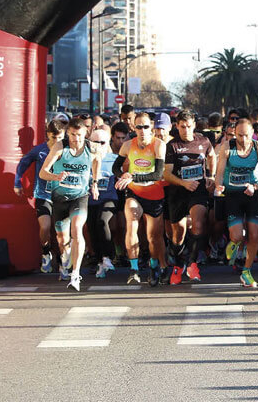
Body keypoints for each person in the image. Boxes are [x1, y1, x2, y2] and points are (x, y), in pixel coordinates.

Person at [39, 118, 101, 291]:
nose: (76, 139)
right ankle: (65, 259)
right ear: (68, 134)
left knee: (77, 228)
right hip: (59, 199)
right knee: (62, 239)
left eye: (80, 135)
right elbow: (43, 173)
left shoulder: (92, 148)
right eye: (73, 135)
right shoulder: (59, 147)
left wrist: (94, 183)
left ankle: (75, 275)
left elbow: (97, 160)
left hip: (80, 197)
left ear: (85, 134)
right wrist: (56, 177)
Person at [212, 118, 258, 288]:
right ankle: (234, 243)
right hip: (232, 195)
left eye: (246, 135)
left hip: (253, 195)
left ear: (253, 134)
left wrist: (255, 186)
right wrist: (218, 185)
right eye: (239, 135)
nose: (243, 139)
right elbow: (220, 172)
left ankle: (247, 270)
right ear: (234, 134)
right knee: (237, 235)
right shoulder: (228, 147)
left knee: (254, 235)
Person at [114, 112, 167, 286]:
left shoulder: (159, 145)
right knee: (132, 222)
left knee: (153, 237)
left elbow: (158, 174)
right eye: (139, 127)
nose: (143, 130)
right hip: (134, 192)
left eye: (145, 126)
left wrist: (133, 177)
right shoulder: (128, 145)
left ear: (151, 126)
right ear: (134, 128)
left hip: (154, 194)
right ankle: (134, 268)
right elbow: (116, 167)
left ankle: (153, 265)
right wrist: (123, 175)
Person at [163, 109, 216, 284]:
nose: (186, 130)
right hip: (178, 193)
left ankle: (192, 263)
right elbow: (167, 174)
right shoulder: (172, 145)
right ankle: (178, 265)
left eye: (189, 126)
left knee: (198, 223)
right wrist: (184, 183)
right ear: (177, 126)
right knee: (178, 234)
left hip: (198, 190)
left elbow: (211, 156)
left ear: (194, 125)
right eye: (182, 127)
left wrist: (211, 175)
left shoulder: (204, 140)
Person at [16, 120, 65, 273]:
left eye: (59, 138)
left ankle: (63, 259)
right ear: (47, 136)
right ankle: (46, 253)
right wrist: (17, 183)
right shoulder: (40, 150)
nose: (56, 141)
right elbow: (23, 163)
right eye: (53, 138)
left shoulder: (68, 149)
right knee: (45, 226)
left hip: (63, 195)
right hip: (43, 194)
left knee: (61, 230)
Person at [87, 126, 120, 279]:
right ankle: (100, 260)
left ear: (108, 143)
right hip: (90, 200)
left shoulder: (114, 159)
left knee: (102, 221)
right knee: (92, 229)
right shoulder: (85, 159)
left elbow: (125, 172)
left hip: (109, 199)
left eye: (102, 142)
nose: (99, 145)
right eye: (95, 142)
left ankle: (108, 255)